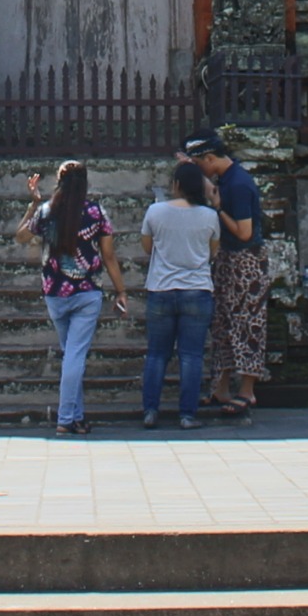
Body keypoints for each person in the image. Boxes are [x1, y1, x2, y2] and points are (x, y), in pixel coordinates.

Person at [13, 160, 126, 436]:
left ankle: (76, 416)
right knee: (75, 355)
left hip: (54, 292)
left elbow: (20, 236)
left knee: (71, 355)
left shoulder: (47, 211)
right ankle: (66, 418)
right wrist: (121, 290)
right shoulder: (95, 212)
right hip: (87, 291)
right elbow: (109, 255)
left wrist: (33, 203)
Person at [184, 133, 267, 421]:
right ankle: (221, 385)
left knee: (246, 323)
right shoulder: (227, 179)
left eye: (199, 164)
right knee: (222, 323)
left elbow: (244, 232)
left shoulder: (240, 184)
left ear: (210, 159)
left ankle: (246, 390)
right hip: (228, 260)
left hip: (245, 259)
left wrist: (217, 210)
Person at [136, 158, 221, 429]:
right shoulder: (210, 216)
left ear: (176, 185)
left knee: (157, 354)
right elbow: (212, 252)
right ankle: (187, 414)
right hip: (197, 289)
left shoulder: (156, 212)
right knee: (192, 355)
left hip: (161, 288)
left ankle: (150, 410)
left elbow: (148, 248)